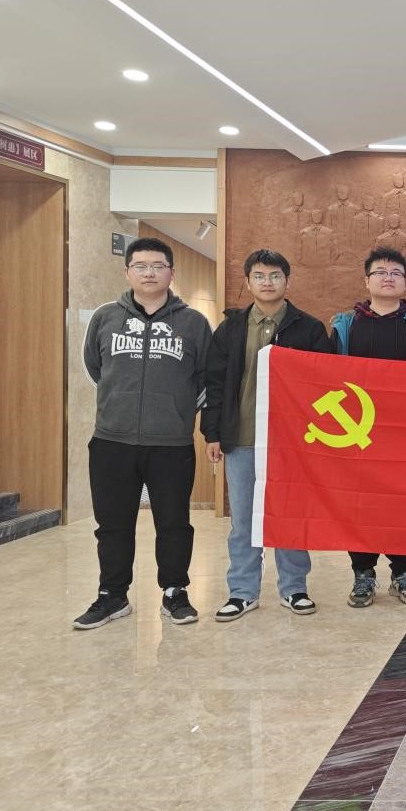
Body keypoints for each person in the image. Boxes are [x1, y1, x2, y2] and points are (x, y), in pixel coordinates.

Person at [73, 237, 212, 629]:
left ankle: (174, 592)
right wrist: (120, 403)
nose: (149, 273)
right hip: (111, 441)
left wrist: (176, 411)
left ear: (171, 272)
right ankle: (112, 595)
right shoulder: (105, 317)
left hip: (171, 443)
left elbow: (206, 377)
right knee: (112, 524)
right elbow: (95, 368)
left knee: (174, 522)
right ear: (127, 272)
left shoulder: (193, 323)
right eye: (140, 266)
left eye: (157, 266)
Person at [202, 249, 330, 622]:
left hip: (291, 443)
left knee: (289, 515)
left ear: (287, 281)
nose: (267, 283)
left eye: (275, 276)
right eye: (259, 276)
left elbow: (325, 385)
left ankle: (294, 588)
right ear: (248, 282)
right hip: (242, 438)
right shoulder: (231, 329)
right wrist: (212, 433)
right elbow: (214, 383)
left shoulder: (309, 329)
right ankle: (243, 592)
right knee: (243, 519)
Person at [329, 246, 406, 608]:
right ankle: (362, 573)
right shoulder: (345, 325)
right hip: (357, 430)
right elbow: (326, 378)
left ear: (405, 282)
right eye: (380, 272)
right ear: (366, 281)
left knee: (403, 503)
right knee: (359, 504)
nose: (388, 277)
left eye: (396, 272)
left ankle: (402, 571)